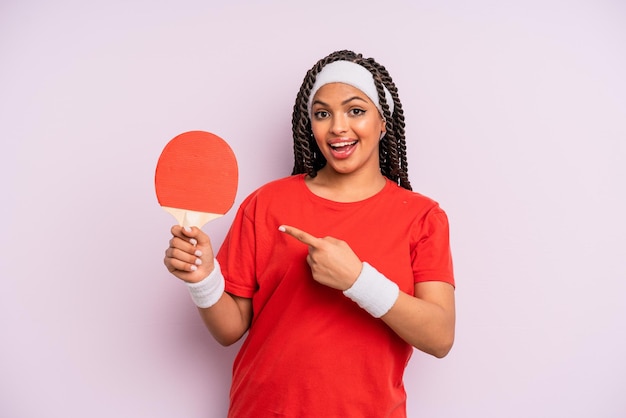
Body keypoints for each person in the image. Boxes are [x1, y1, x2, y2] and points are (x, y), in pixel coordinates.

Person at [164, 49, 456, 417]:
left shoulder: (422, 217)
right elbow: (229, 330)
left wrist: (358, 280)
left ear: (383, 123)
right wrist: (202, 278)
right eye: (322, 113)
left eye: (356, 110)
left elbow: (440, 336)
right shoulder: (266, 203)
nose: (337, 127)